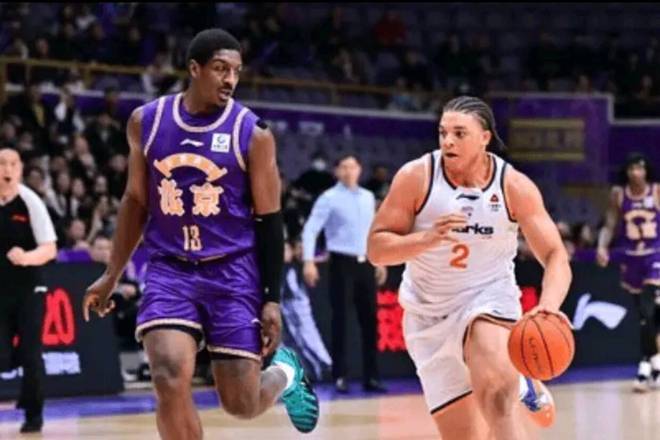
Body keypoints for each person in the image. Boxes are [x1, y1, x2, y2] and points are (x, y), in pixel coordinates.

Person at [82, 28, 319, 439]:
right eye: (220, 69)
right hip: (170, 269)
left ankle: (285, 373)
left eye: (236, 72)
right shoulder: (146, 122)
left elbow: (270, 220)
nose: (230, 80)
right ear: (194, 69)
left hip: (232, 272)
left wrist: (272, 299)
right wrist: (111, 273)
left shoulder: (254, 134)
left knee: (240, 403)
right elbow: (136, 201)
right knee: (168, 375)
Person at [367, 96, 570, 439]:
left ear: (485, 138)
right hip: (428, 316)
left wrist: (548, 307)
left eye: (459, 133)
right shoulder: (417, 177)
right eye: (443, 132)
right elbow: (376, 249)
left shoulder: (513, 186)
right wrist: (425, 240)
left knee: (497, 399)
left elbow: (555, 255)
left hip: (487, 299)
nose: (448, 141)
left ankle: (512, 378)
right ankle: (522, 380)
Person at [302, 154, 387, 394]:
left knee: (370, 321)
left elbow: (374, 230)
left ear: (360, 170)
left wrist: (380, 260)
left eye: (353, 166)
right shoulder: (329, 198)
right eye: (344, 167)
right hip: (341, 262)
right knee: (340, 320)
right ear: (337, 171)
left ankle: (372, 376)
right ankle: (340, 375)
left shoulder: (368, 197)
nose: (349, 171)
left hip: (366, 262)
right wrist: (308, 261)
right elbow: (311, 229)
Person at [0, 146, 58, 434]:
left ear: (20, 169)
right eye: (2, 164)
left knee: (31, 353)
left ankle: (33, 414)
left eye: (13, 164)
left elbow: (49, 248)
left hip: (29, 287)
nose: (8, 169)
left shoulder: (30, 201)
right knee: (5, 356)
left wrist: (25, 257)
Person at [597, 153, 660, 391]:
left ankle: (645, 369)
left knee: (647, 309)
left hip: (655, 255)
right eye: (632, 169)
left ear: (646, 171)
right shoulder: (619, 194)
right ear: (626, 171)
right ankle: (653, 364)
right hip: (631, 258)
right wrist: (602, 246)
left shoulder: (656, 191)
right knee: (645, 318)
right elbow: (610, 224)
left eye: (640, 168)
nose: (636, 173)